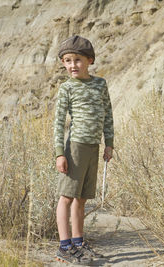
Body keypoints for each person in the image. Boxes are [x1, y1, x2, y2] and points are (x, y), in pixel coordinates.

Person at [54, 35, 114, 264]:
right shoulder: (67, 88)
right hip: (75, 148)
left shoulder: (100, 84)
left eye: (77, 60)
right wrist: (60, 152)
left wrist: (109, 142)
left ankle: (79, 243)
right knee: (67, 197)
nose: (72, 65)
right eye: (67, 60)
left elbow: (108, 114)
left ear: (89, 60)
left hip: (93, 147)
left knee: (82, 199)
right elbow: (59, 123)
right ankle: (64, 246)